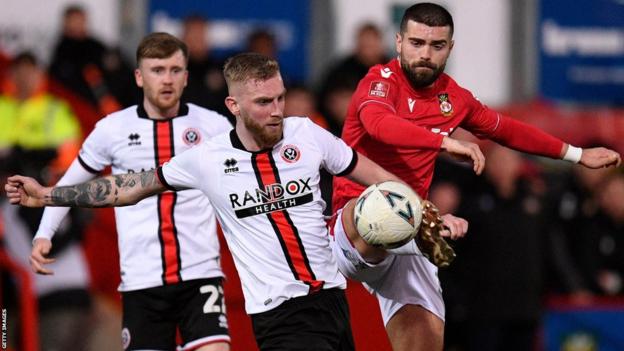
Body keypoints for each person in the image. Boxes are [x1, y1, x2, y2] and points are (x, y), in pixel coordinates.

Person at [5, 52, 416, 351]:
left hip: (333, 298)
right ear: (233, 105)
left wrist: (421, 208)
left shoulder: (306, 134)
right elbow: (127, 187)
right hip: (281, 314)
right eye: (263, 103)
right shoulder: (207, 159)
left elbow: (371, 174)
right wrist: (49, 195)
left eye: (279, 98)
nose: (276, 111)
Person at [332, 3, 622, 351]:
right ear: (398, 42)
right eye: (416, 43)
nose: (426, 54)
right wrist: (443, 142)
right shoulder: (379, 82)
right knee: (385, 209)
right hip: (352, 223)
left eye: (436, 46)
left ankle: (425, 225)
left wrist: (576, 154)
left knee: (425, 341)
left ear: (450, 48)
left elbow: (506, 130)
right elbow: (380, 126)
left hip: (411, 228)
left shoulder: (453, 98)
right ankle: (419, 222)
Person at [29, 33, 233, 351]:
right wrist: (45, 233)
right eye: (157, 70)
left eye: (175, 70)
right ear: (139, 77)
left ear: (186, 76)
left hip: (200, 276)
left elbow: (251, 176)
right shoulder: (113, 129)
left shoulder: (215, 126)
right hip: (142, 283)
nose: (167, 79)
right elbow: (70, 183)